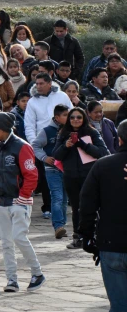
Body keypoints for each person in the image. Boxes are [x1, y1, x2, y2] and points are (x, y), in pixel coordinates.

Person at [0, 112, 45, 292]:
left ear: (3, 129)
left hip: (19, 200)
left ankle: (37, 273)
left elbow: (31, 174)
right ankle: (12, 279)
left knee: (19, 236)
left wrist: (24, 196)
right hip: (1, 200)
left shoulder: (22, 147)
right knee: (6, 241)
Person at [79, 120, 127, 311]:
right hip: (110, 243)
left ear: (120, 140)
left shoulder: (103, 166)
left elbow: (87, 204)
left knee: (119, 305)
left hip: (111, 243)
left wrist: (87, 236)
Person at [52, 106, 109, 249]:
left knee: (90, 206)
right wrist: (66, 146)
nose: (75, 120)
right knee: (76, 207)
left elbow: (103, 152)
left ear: (83, 118)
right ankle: (78, 237)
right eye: (72, 117)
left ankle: (92, 235)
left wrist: (82, 144)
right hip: (71, 177)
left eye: (78, 117)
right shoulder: (63, 133)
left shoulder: (92, 132)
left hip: (89, 176)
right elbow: (56, 155)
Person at [31, 104, 70, 239]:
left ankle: (62, 225)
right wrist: (44, 158)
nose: (69, 117)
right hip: (52, 170)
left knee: (65, 199)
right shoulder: (47, 131)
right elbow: (35, 146)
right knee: (57, 197)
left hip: (67, 170)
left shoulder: (71, 131)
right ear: (57, 117)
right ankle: (58, 225)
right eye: (65, 115)